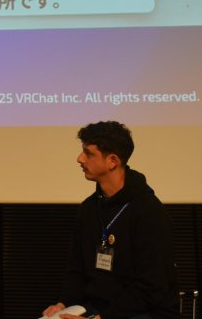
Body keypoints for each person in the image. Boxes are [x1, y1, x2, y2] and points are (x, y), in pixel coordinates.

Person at [40, 122, 176, 319]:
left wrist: (103, 318)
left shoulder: (149, 212)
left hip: (144, 312)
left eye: (88, 153)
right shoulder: (89, 209)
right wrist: (63, 303)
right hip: (96, 309)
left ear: (112, 161)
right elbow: (76, 270)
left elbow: (151, 286)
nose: (79, 159)